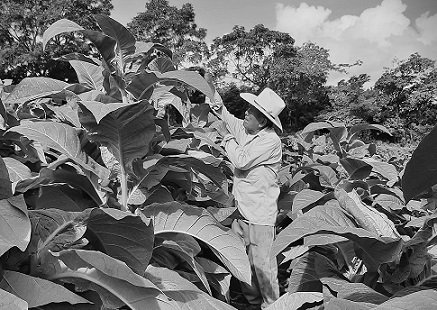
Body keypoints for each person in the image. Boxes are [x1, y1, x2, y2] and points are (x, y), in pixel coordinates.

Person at [206, 87, 285, 309]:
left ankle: (272, 306)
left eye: (251, 111)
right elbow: (229, 120)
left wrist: (226, 137)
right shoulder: (249, 133)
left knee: (264, 269)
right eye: (248, 109)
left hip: (260, 216)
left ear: (262, 122)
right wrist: (217, 103)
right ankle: (252, 305)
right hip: (241, 214)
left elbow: (241, 160)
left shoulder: (270, 141)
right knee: (244, 267)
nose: (246, 114)